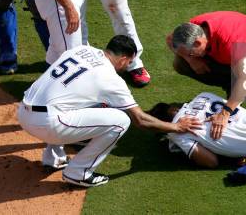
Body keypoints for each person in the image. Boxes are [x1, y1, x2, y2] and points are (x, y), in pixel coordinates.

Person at [17, 35, 201, 187]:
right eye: (128, 62)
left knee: (74, 100)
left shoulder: (81, 50)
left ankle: (53, 158)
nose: (126, 66)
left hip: (23, 112)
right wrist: (175, 127)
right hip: (49, 124)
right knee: (121, 121)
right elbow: (140, 120)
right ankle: (78, 172)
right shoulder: (111, 79)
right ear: (123, 59)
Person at [167, 11, 246, 138]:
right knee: (180, 63)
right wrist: (191, 59)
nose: (190, 56)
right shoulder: (191, 28)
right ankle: (231, 85)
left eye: (190, 53)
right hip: (234, 57)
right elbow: (170, 39)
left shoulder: (229, 42)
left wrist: (224, 113)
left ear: (198, 43)